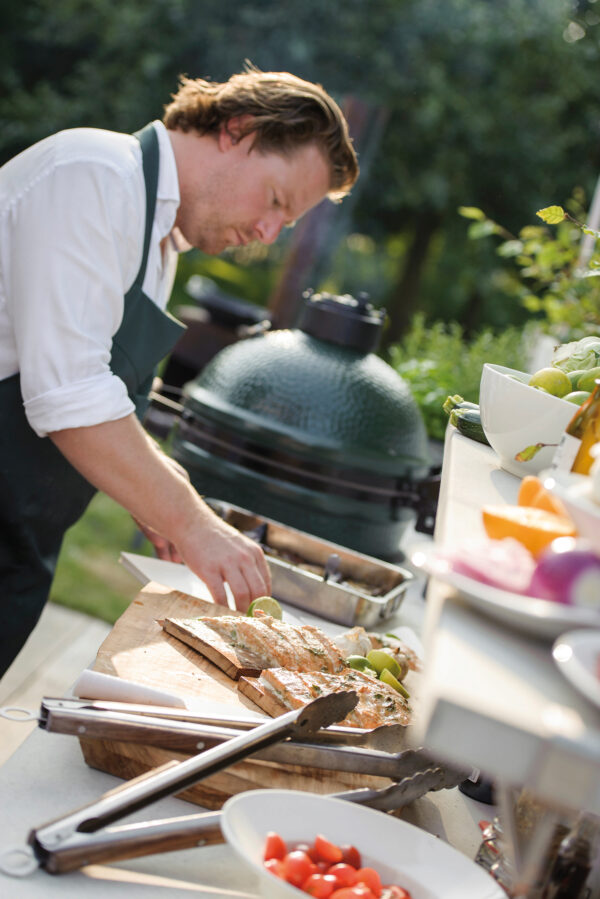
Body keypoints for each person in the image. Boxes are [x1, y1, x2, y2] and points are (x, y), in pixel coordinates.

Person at [0, 63, 359, 676]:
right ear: (237, 129)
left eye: (287, 223)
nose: (267, 234)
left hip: (18, 541)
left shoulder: (158, 239)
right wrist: (190, 522)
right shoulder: (95, 176)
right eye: (275, 200)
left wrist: (156, 496)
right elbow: (70, 394)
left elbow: (104, 390)